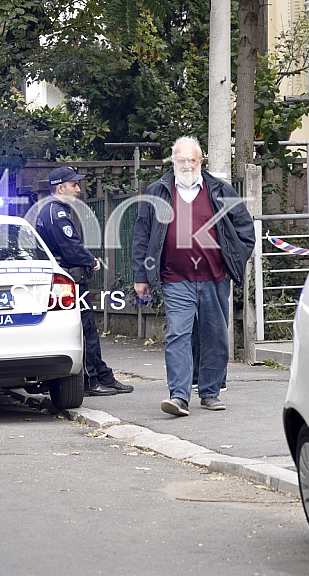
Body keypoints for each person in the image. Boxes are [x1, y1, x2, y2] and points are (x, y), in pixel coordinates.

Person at [131, 137, 255, 416]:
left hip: (215, 277)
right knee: (178, 334)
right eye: (181, 160)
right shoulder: (157, 191)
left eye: (192, 160)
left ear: (201, 161)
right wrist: (141, 275)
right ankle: (179, 396)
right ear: (173, 162)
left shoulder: (220, 190)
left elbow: (245, 230)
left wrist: (232, 263)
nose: (187, 165)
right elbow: (141, 236)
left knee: (215, 335)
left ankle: (210, 392)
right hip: (175, 278)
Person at [36, 166, 133, 398]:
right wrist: (91, 261)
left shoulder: (53, 210)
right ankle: (91, 380)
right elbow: (70, 248)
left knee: (89, 329)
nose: (78, 189)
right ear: (61, 188)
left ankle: (102, 375)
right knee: (85, 330)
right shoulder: (56, 214)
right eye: (74, 185)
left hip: (69, 281)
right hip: (70, 281)